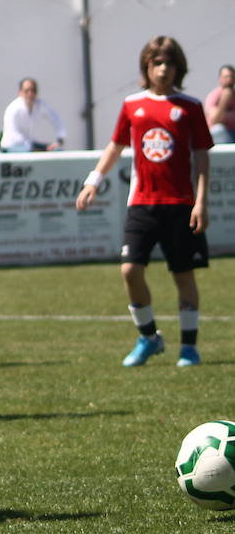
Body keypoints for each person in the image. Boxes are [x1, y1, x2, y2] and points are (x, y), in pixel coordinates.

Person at [76, 36, 212, 368]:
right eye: (157, 63)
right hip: (141, 204)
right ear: (146, 67)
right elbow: (115, 146)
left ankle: (189, 348)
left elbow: (202, 158)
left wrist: (201, 202)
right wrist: (94, 180)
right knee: (129, 270)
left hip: (180, 204)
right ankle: (149, 337)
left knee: (183, 276)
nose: (163, 70)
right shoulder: (132, 105)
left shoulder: (190, 107)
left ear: (179, 68)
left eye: (169, 63)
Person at [0, 78, 65, 152]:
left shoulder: (40, 105)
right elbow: (14, 136)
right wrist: (37, 149)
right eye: (26, 90)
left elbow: (56, 119)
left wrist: (59, 140)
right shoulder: (13, 109)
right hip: (12, 147)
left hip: (30, 145)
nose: (30, 94)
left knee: (57, 150)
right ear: (20, 92)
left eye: (33, 90)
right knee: (29, 150)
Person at [203, 64, 235, 144]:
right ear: (220, 79)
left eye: (231, 77)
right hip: (220, 137)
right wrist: (224, 99)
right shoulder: (213, 96)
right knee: (219, 130)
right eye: (226, 77)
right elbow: (215, 120)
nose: (229, 80)